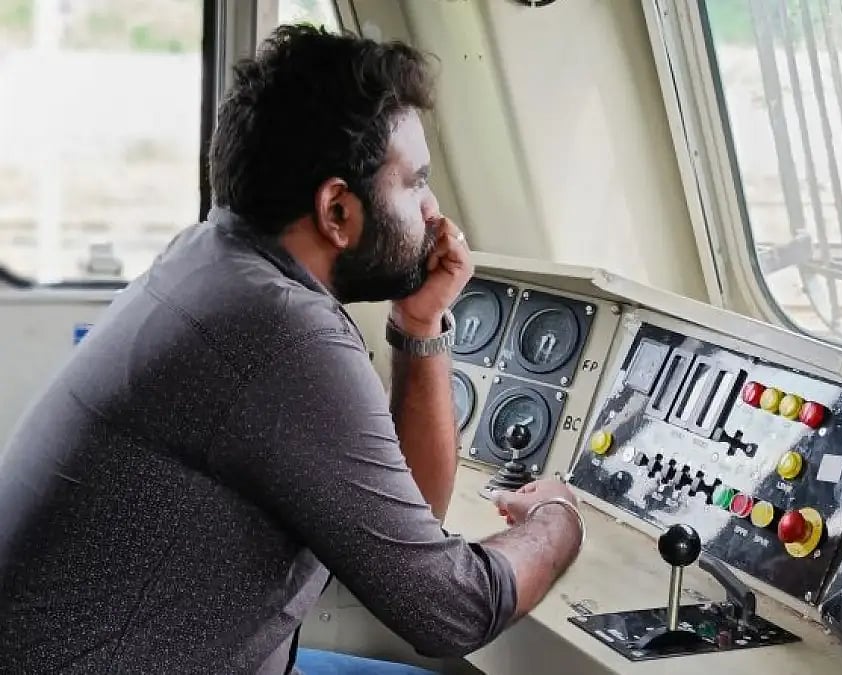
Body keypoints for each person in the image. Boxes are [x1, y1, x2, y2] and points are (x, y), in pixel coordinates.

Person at [0, 25, 583, 674]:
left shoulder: (211, 258)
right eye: (415, 182)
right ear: (337, 210)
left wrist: (420, 324)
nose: (434, 212)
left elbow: (410, 519)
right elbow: (452, 611)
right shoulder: (282, 333)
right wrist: (557, 518)